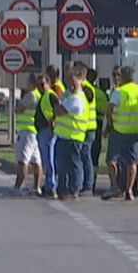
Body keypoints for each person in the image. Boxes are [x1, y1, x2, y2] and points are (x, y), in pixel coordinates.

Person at [105, 67, 138, 201]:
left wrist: (110, 125)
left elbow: (109, 109)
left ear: (122, 77)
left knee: (111, 159)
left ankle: (115, 186)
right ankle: (129, 190)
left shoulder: (119, 91)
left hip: (119, 129)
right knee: (132, 161)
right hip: (136, 130)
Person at [52, 69, 89, 201]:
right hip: (65, 137)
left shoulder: (76, 99)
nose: (71, 86)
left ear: (80, 83)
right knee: (62, 165)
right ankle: (62, 189)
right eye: (69, 82)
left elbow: (59, 111)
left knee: (74, 165)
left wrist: (58, 102)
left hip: (72, 137)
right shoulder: (72, 96)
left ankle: (74, 190)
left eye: (74, 83)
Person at [12, 74, 43, 196]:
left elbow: (18, 109)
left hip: (26, 132)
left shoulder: (31, 95)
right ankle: (37, 186)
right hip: (35, 132)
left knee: (23, 161)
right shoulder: (39, 95)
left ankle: (19, 186)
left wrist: (18, 105)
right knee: (37, 161)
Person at [36, 65, 62, 199]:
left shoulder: (51, 95)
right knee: (47, 160)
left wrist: (54, 120)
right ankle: (49, 185)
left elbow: (58, 108)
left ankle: (51, 187)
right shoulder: (45, 95)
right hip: (44, 130)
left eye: (42, 84)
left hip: (48, 130)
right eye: (38, 85)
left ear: (48, 84)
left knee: (49, 159)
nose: (40, 87)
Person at [77, 65, 100, 196]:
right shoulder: (83, 87)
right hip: (85, 127)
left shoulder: (86, 88)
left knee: (85, 156)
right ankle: (83, 184)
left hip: (87, 127)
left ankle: (87, 185)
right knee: (83, 156)